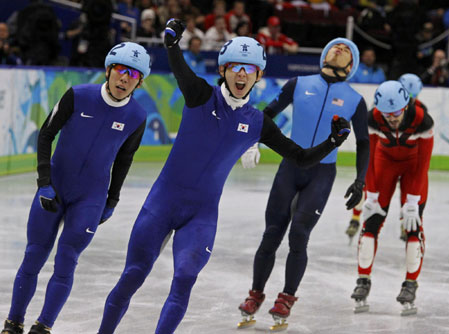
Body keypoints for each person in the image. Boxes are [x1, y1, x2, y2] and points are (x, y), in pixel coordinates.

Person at [96, 19, 351, 334]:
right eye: (234, 67)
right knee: (133, 274)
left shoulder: (259, 123)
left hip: (201, 216)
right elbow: (181, 69)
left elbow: (300, 157)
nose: (241, 74)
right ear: (222, 71)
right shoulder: (200, 95)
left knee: (184, 281)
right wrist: (172, 44)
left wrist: (332, 142)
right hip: (162, 204)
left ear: (258, 75)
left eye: (249, 69)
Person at [1, 42, 150, 334]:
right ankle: (12, 322)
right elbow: (46, 136)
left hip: (90, 198)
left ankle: (43, 327)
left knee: (66, 261)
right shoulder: (77, 96)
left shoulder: (137, 116)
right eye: (120, 70)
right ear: (108, 70)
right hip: (54, 187)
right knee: (34, 255)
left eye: (132, 75)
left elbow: (124, 160)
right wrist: (44, 182)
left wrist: (112, 200)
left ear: (139, 81)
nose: (124, 79)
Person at [238, 38, 369, 330]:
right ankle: (255, 294)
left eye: (346, 49)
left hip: (321, 174)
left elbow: (363, 143)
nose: (338, 48)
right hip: (290, 167)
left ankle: (286, 298)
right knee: (271, 234)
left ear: (351, 65)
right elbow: (266, 115)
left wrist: (360, 180)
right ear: (324, 55)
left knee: (298, 234)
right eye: (334, 46)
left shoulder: (355, 100)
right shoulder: (298, 83)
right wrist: (250, 142)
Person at [350, 80, 433, 316]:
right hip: (383, 165)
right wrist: (372, 194)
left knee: (413, 224)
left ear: (405, 106)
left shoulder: (422, 119)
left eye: (396, 113)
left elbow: (423, 165)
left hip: (412, 168)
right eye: (387, 114)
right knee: (371, 224)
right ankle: (363, 280)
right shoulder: (372, 118)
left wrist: (412, 201)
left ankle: (410, 283)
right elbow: (368, 154)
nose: (392, 118)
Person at [345, 73, 426, 242]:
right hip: (385, 155)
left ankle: (405, 223)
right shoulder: (384, 104)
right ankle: (356, 217)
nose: (411, 100)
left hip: (404, 157)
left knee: (407, 190)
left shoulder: (420, 110)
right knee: (368, 185)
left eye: (414, 97)